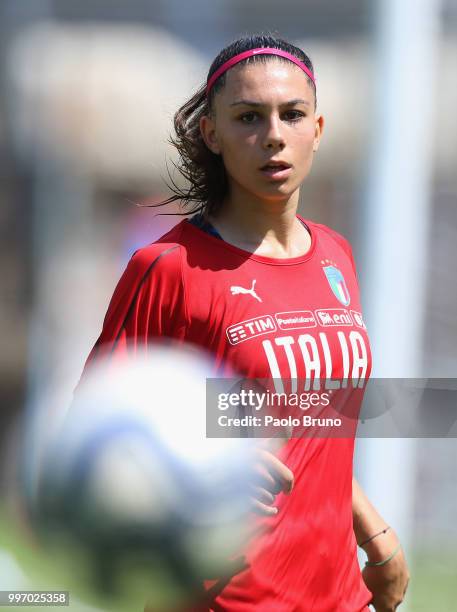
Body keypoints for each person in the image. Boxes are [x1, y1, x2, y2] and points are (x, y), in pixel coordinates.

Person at [80, 34, 410, 611]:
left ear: (318, 129)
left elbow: (313, 423)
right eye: (249, 117)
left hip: (340, 595)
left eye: (292, 114)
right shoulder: (167, 268)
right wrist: (205, 457)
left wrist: (374, 535)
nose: (274, 136)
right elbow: (92, 441)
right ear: (213, 134)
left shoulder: (336, 255)